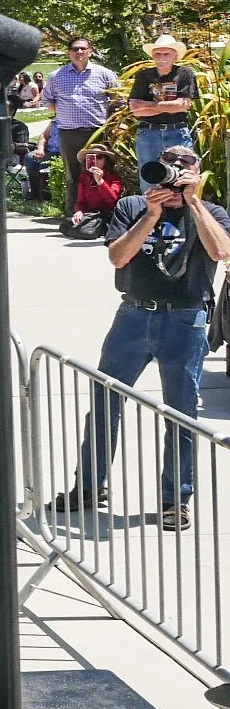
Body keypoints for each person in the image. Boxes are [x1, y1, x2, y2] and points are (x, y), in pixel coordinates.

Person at [48, 145, 229, 533]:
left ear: (198, 172)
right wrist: (152, 214)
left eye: (186, 166)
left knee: (181, 413)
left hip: (184, 320)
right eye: (170, 165)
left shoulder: (212, 213)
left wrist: (194, 204)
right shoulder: (133, 207)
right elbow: (118, 257)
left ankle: (175, 499)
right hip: (133, 315)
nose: (176, 172)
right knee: (104, 401)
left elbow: (222, 250)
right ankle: (88, 487)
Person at [42, 37, 118, 228]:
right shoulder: (56, 76)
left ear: (90, 51)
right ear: (70, 52)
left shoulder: (105, 74)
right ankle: (73, 214)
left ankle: (105, 214)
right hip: (69, 132)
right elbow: (48, 100)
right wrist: (64, 113)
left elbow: (118, 101)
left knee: (102, 173)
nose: (79, 52)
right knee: (73, 175)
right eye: (75, 49)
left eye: (83, 48)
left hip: (97, 133)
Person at [127, 35, 198, 189]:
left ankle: (182, 212)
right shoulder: (144, 75)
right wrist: (169, 107)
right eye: (158, 54)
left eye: (166, 54)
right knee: (149, 177)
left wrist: (148, 104)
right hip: (148, 133)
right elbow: (136, 110)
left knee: (182, 177)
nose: (162, 57)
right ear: (152, 56)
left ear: (175, 56)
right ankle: (151, 212)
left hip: (177, 132)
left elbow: (183, 105)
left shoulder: (185, 73)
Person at [67, 146, 123, 239]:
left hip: (108, 215)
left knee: (85, 231)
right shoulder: (85, 177)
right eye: (91, 157)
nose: (96, 160)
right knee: (67, 224)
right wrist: (79, 212)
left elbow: (112, 200)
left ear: (106, 161)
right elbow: (81, 200)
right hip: (91, 215)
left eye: (100, 157)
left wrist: (100, 181)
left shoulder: (114, 177)